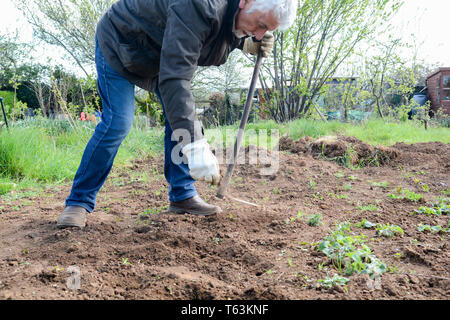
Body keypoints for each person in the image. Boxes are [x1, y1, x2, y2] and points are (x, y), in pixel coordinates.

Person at [57, 0, 298, 228]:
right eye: (261, 25)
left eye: (266, 30)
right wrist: (196, 147)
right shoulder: (199, 4)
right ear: (247, 0)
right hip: (121, 42)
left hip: (160, 54)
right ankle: (78, 201)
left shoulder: (232, 13)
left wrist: (240, 42)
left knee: (179, 115)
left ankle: (182, 195)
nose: (258, 34)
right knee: (118, 122)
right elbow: (176, 77)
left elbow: (211, 33)